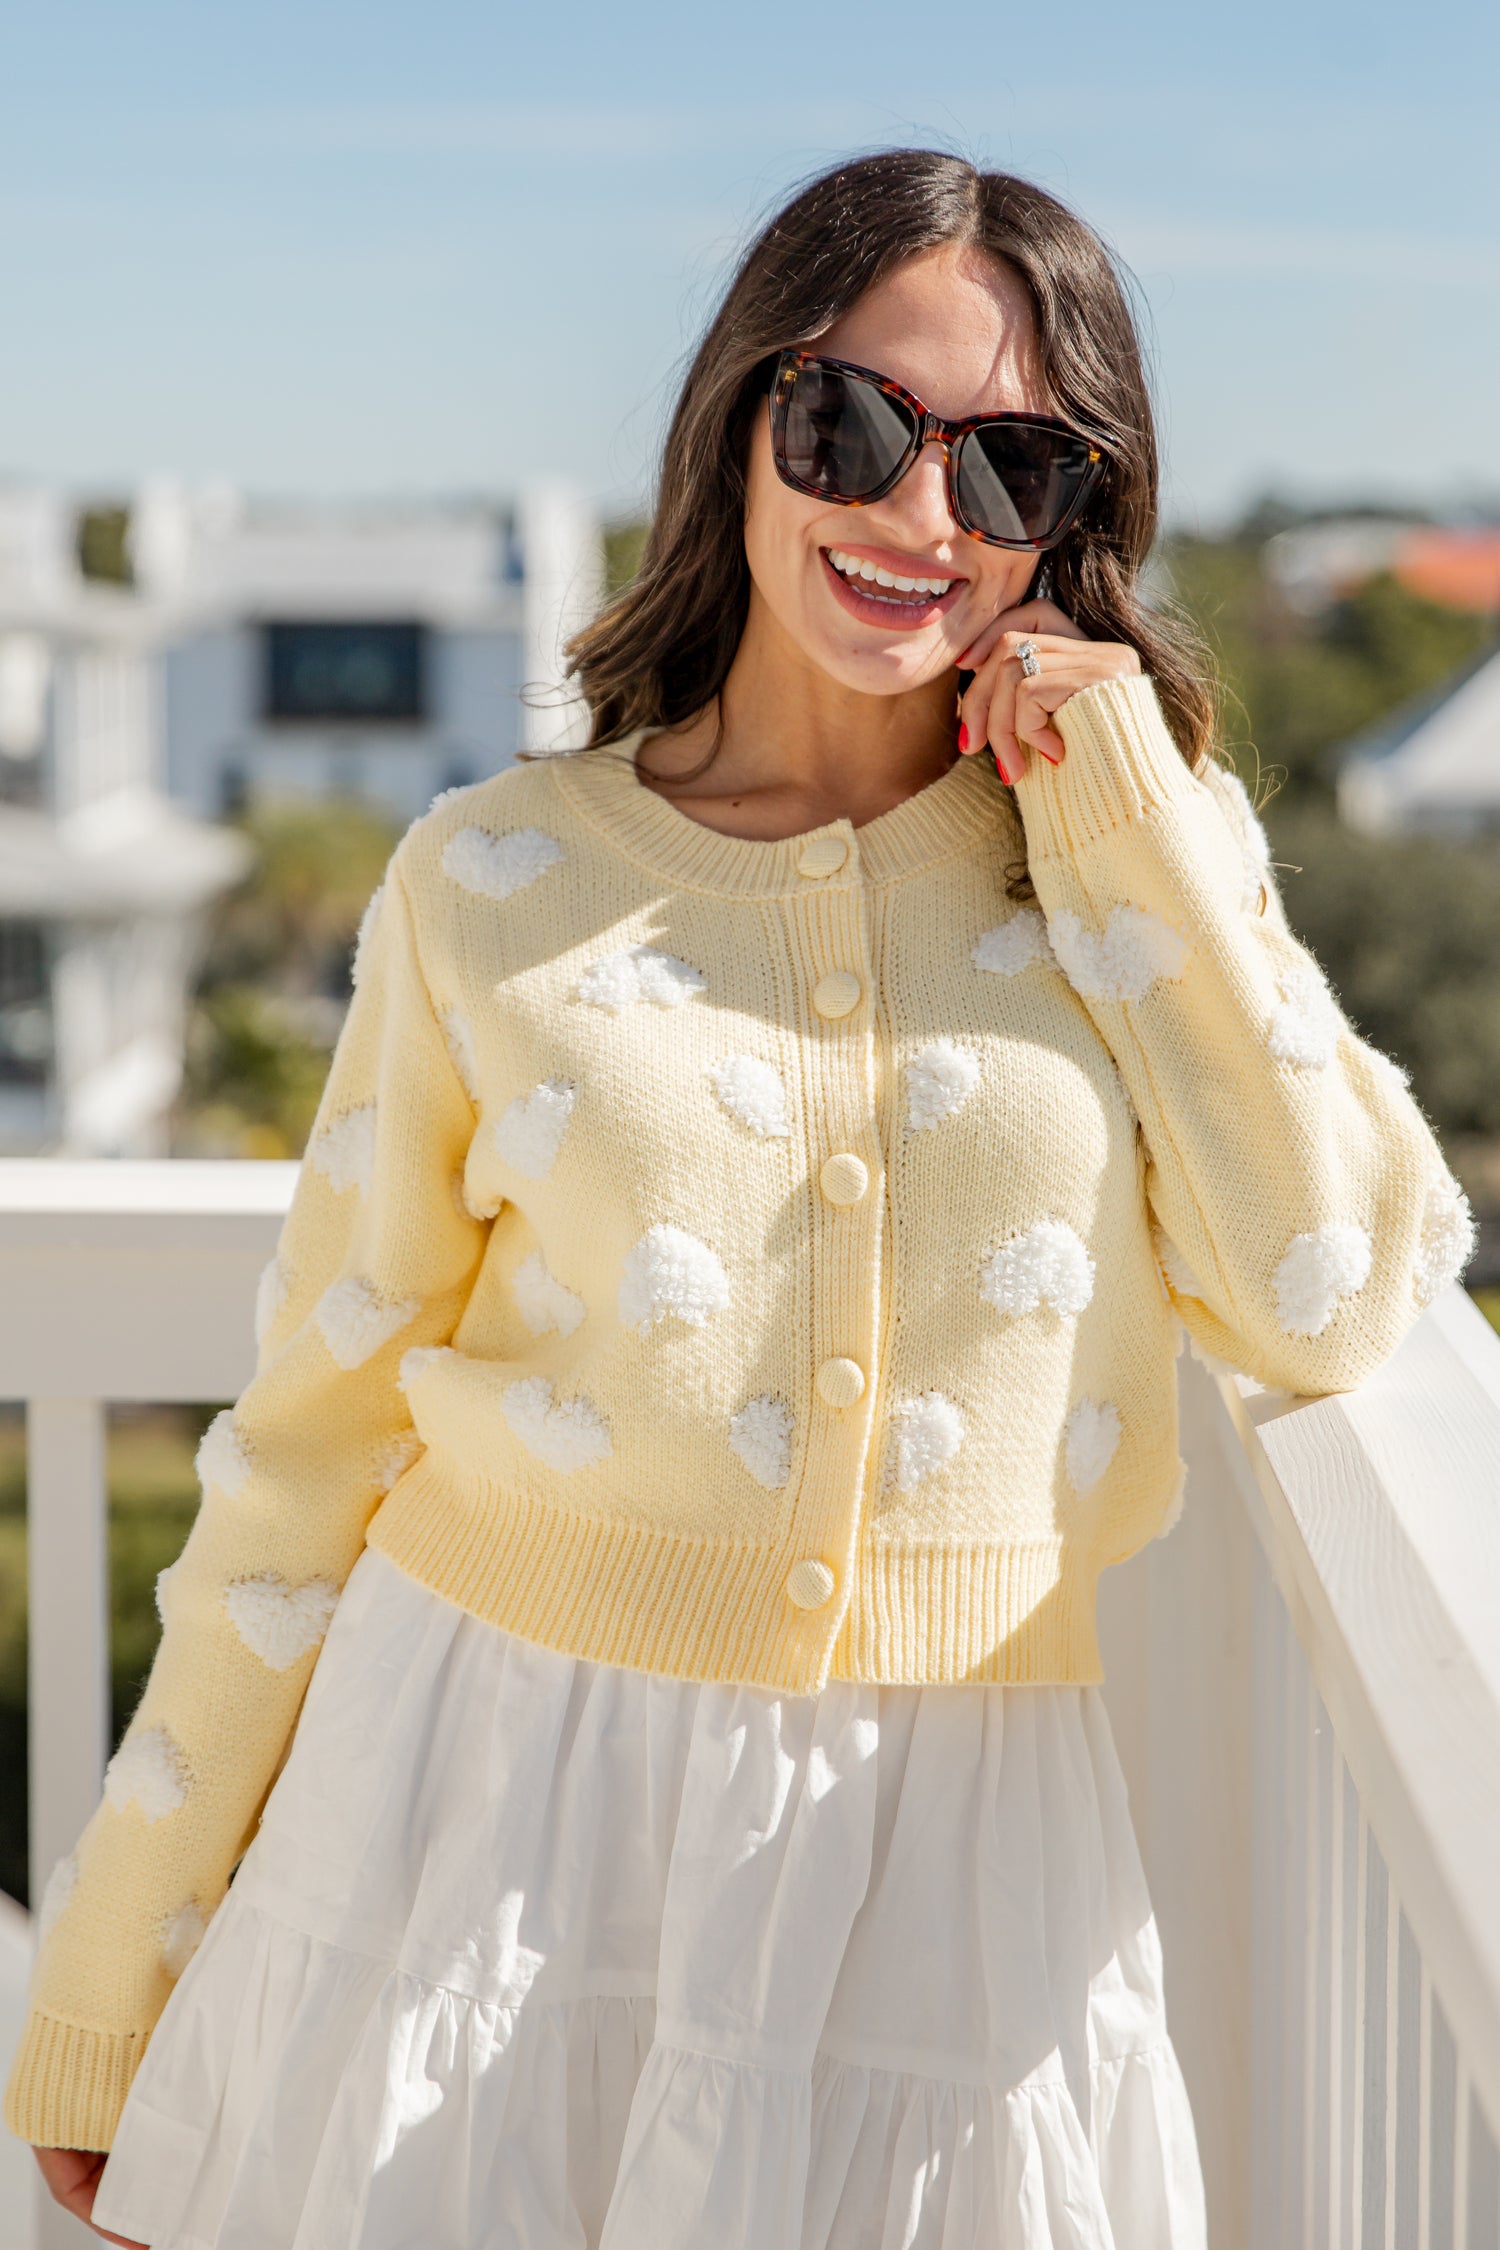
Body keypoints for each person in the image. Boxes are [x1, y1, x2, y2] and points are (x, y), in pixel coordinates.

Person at [8, 150, 1473, 2250]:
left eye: (1016, 467)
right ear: (742, 420)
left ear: (1080, 520)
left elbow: (1326, 1289)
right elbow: (307, 1452)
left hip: (958, 1856)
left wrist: (1139, 814)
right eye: (853, 423)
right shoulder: (493, 883)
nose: (918, 518)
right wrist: (113, 1978)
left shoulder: (1128, 860)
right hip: (483, 1815)